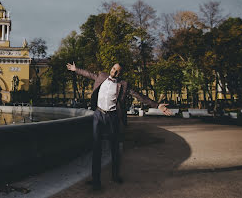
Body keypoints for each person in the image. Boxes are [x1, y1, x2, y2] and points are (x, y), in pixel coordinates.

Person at [66, 62, 172, 190]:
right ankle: (96, 181)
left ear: (120, 73)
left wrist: (157, 105)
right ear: (111, 68)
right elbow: (88, 74)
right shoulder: (101, 76)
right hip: (98, 115)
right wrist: (75, 69)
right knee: (96, 148)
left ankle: (115, 176)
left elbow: (139, 95)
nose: (114, 71)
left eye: (117, 71)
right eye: (113, 68)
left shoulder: (123, 84)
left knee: (114, 148)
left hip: (113, 117)